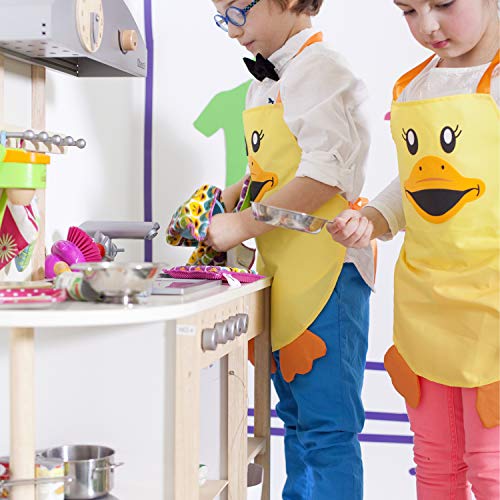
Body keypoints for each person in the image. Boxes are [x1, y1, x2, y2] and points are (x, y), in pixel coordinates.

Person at [327, 1, 500, 498]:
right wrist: (373, 219)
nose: (428, 25)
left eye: (443, 3)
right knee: (435, 459)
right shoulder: (415, 87)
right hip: (427, 305)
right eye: (408, 10)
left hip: (492, 304)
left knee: (491, 467)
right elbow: (415, 184)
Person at [205, 0, 374, 497]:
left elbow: (323, 177)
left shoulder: (320, 70)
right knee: (297, 419)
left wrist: (242, 224)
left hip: (326, 268)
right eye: (222, 17)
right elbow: (273, 170)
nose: (231, 31)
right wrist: (230, 197)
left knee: (327, 426)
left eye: (238, 11)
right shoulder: (266, 82)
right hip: (287, 268)